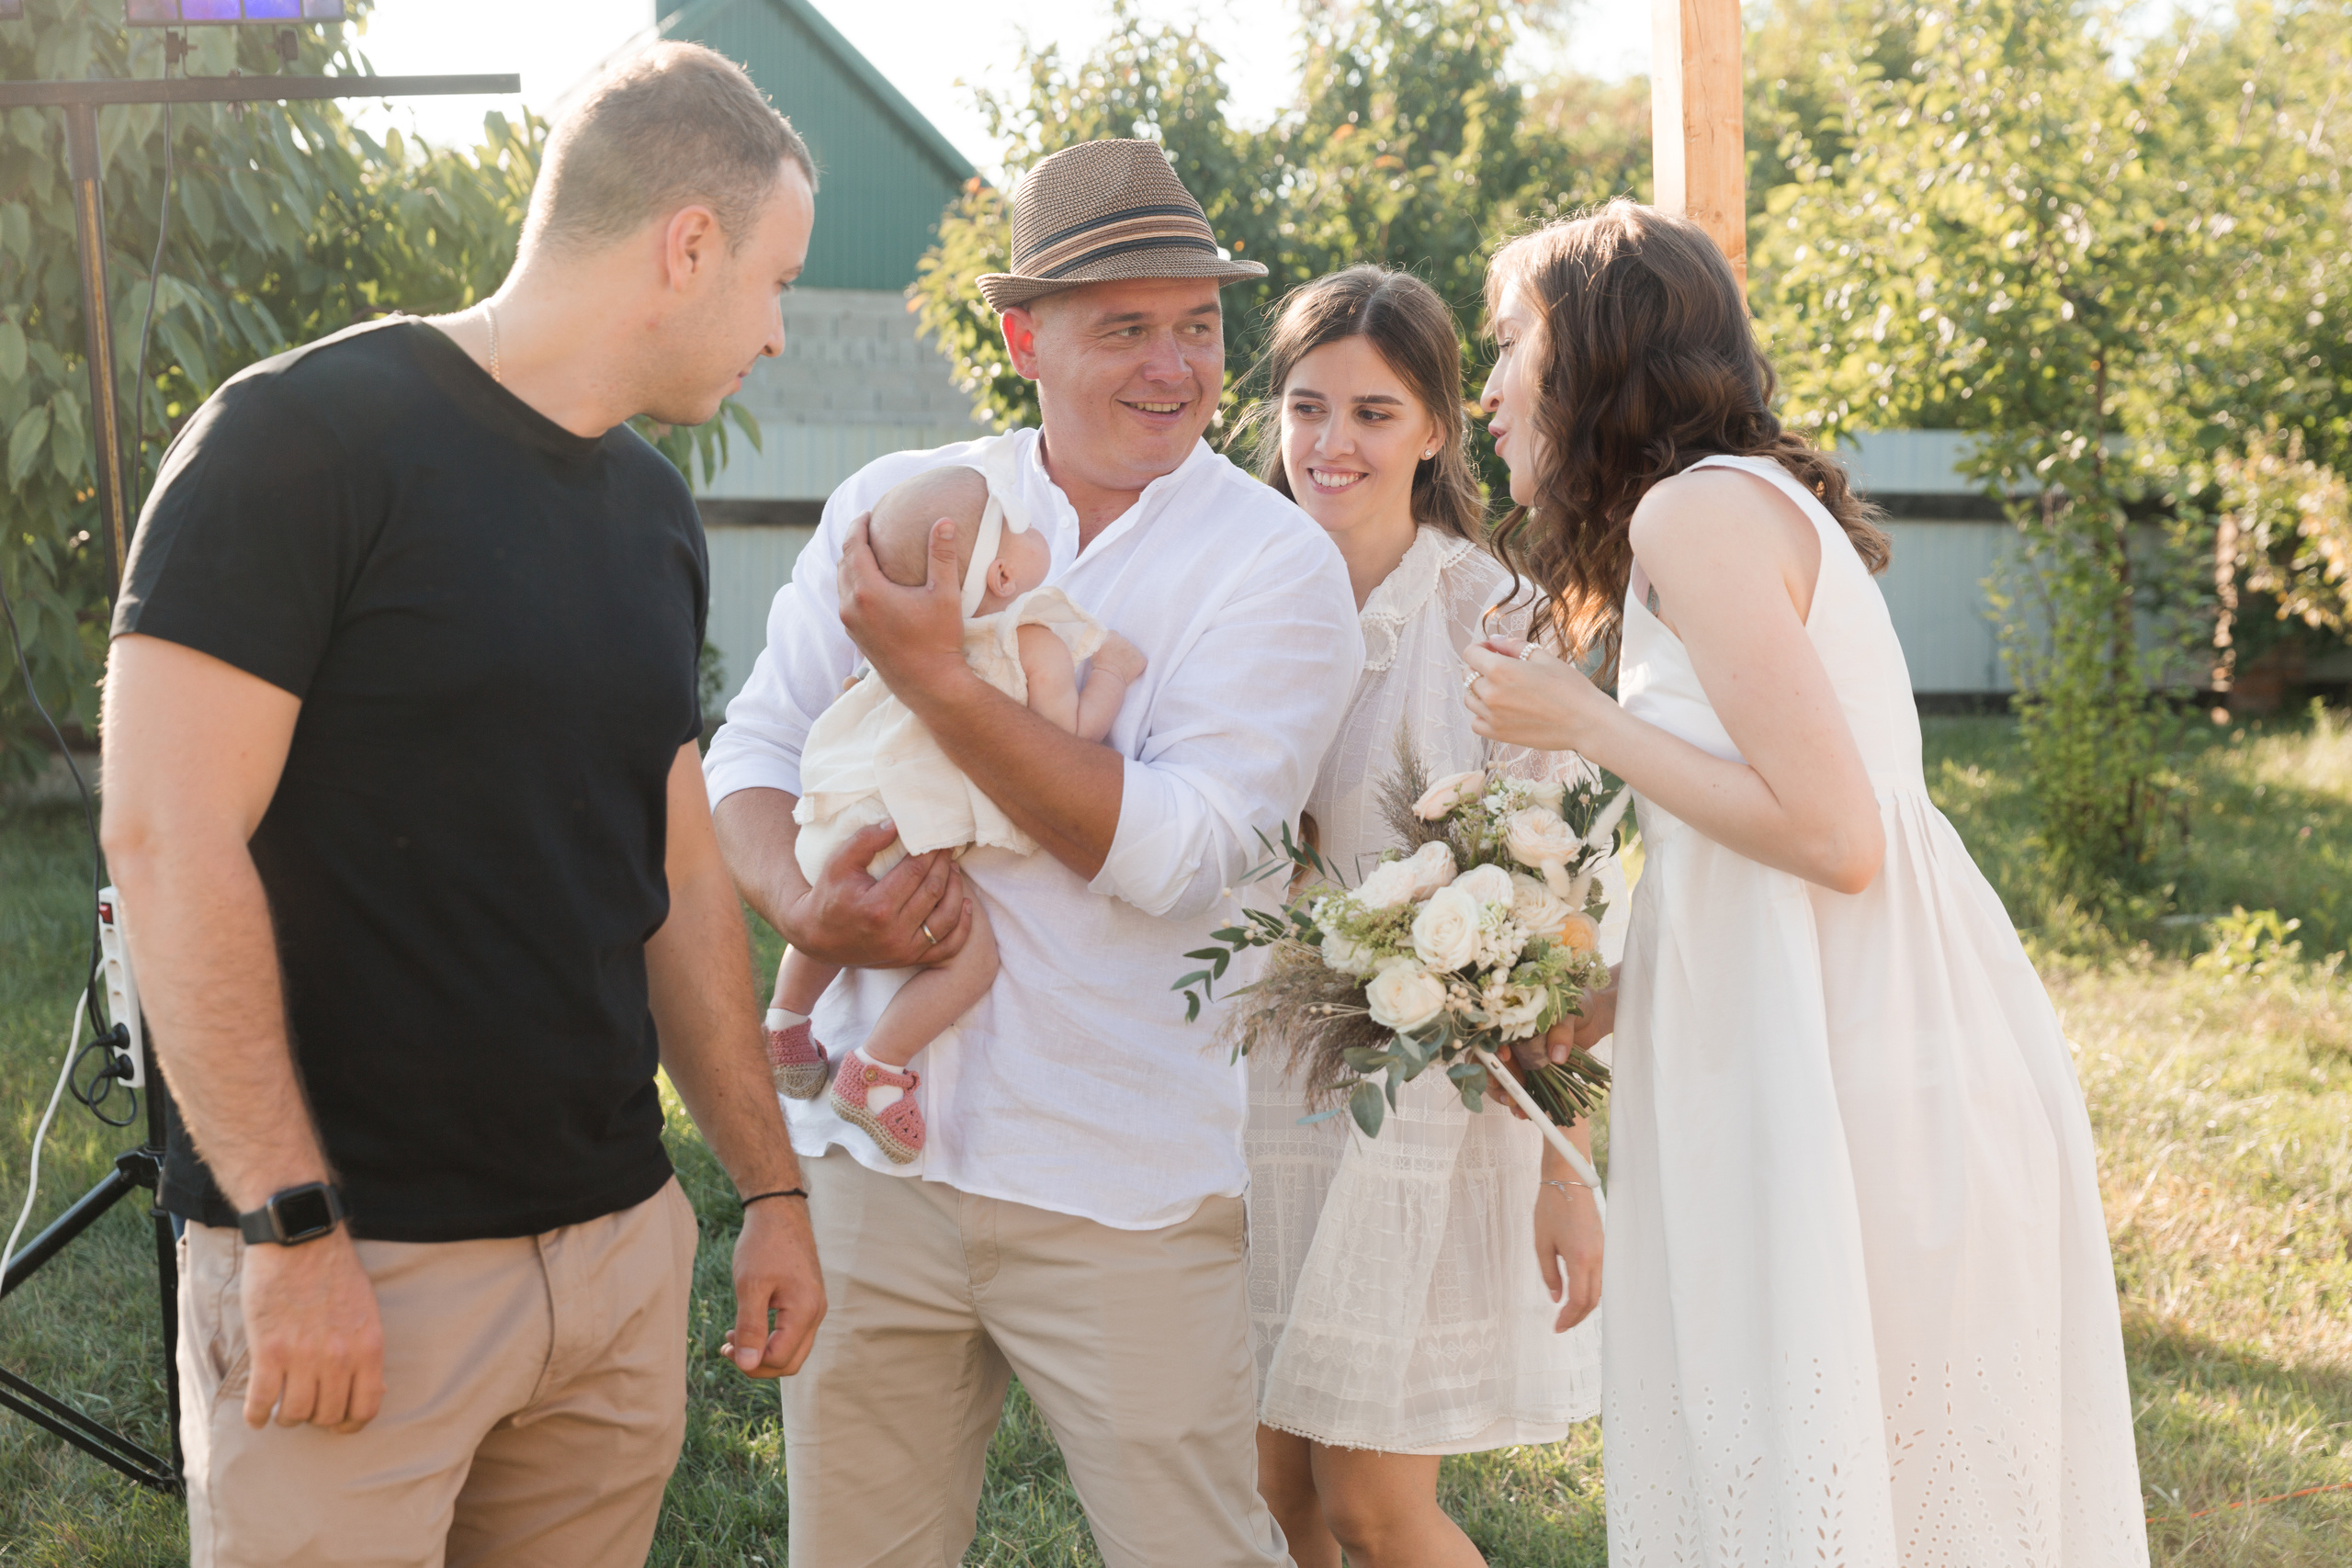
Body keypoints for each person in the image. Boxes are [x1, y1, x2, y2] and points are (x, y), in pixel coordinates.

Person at [98, 44, 826, 1568]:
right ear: (686, 244)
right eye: (772, 279)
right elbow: (168, 838)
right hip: (359, 1266)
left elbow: (677, 859)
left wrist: (764, 1180)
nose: (774, 329)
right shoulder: (294, 441)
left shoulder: (649, 509)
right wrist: (288, 1229)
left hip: (610, 1259)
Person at [1460, 201, 2151, 1565]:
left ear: (1592, 350)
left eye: (1507, 343)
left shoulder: (1697, 512)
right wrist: (1610, 995)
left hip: (1855, 1072)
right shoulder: (1713, 509)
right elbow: (1759, 837)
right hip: (1826, 1038)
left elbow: (1838, 836)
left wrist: (1580, 720)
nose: (1486, 393)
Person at [705, 137, 1363, 1566]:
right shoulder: (905, 504)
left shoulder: (1274, 564)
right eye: (1126, 325)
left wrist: (941, 681)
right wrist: (807, 899)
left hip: (1120, 1171)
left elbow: (1184, 854)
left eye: (1198, 324)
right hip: (876, 1169)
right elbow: (752, 753)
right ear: (1022, 335)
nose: (1174, 366)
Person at [1234, 265, 1621, 1568]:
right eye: (1306, 406)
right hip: (1243, 1090)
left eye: (1374, 413)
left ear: (1441, 426)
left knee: (1373, 1504)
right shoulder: (1224, 597)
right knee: (1275, 1488)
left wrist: (1569, 1173)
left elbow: (1564, 910)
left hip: (1422, 1099)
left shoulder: (1490, 622)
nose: (1331, 445)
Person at [764, 459, 1147, 1164]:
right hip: (911, 836)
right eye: (1023, 527)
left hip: (840, 815)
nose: (1039, 529)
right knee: (969, 960)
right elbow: (1069, 739)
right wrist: (1115, 673)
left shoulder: (892, 640)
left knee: (829, 904)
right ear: (1002, 578)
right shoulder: (1031, 639)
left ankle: (787, 1020)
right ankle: (876, 1067)